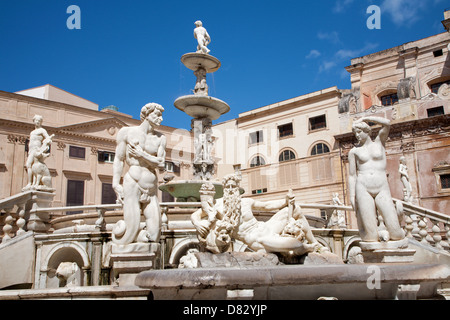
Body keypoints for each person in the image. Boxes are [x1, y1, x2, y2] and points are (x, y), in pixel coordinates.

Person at [191, 174, 323, 255]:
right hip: (256, 239)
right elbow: (196, 214)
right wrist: (197, 223)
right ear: (224, 189)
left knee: (296, 209)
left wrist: (286, 201)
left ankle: (317, 245)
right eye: (228, 187)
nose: (231, 190)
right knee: (293, 244)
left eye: (233, 186)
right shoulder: (218, 205)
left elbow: (267, 206)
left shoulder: (246, 201)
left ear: (237, 188)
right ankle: (307, 248)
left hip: (266, 227)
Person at [112, 103, 166, 245]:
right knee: (130, 230)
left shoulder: (161, 138)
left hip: (152, 188)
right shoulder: (127, 132)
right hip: (133, 182)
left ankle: (144, 244)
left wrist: (142, 155)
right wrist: (115, 184)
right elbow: (119, 159)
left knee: (155, 233)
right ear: (147, 115)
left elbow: (161, 164)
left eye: (161, 116)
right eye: (157, 115)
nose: (161, 119)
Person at [348, 116, 404, 242]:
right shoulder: (354, 151)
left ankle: (397, 220)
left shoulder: (379, 142)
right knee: (371, 238)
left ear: (367, 131)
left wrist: (365, 118)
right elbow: (352, 175)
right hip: (362, 188)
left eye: (359, 132)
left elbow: (387, 123)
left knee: (396, 233)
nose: (357, 135)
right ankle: (375, 233)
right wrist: (352, 196)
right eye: (355, 133)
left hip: (381, 187)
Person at [24, 115, 54, 190]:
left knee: (28, 164)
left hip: (36, 149)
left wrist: (48, 141)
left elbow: (48, 138)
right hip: (31, 150)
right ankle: (32, 183)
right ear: (34, 121)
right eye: (36, 120)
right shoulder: (32, 132)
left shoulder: (42, 130)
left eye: (39, 121)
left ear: (41, 122)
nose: (37, 122)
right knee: (32, 166)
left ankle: (30, 183)